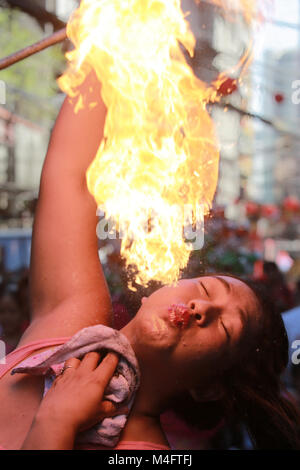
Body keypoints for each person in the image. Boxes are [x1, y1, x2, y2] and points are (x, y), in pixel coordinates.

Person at [0, 72, 299, 451]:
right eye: (207, 288)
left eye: (224, 328)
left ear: (207, 388)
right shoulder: (71, 323)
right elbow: (70, 173)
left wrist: (56, 423)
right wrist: (115, 40)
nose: (201, 307)